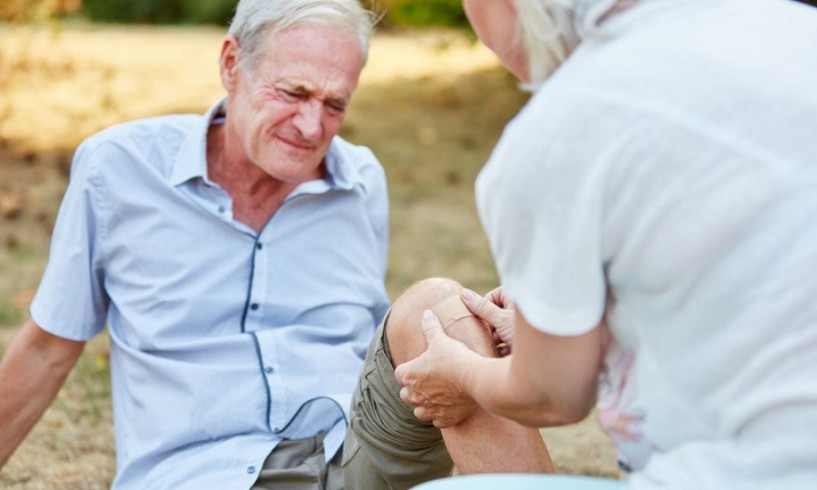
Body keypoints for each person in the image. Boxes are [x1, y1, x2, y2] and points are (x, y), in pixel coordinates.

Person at [0, 0, 552, 488]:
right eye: (293, 92)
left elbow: (376, 342)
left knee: (440, 310)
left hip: (354, 458)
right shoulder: (117, 170)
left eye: (336, 104)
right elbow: (49, 346)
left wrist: (476, 349)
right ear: (230, 64)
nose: (313, 126)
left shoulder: (360, 180)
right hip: (199, 474)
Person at [396, 0, 817, 489]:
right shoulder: (789, 25)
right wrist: (576, 333)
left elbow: (552, 396)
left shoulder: (559, 130)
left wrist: (460, 374)